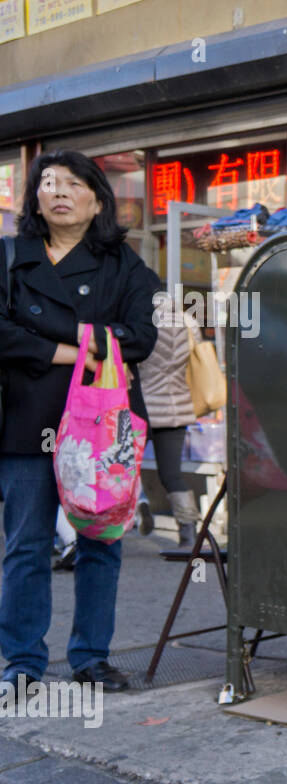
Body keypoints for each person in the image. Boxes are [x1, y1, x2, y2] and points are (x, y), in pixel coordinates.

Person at [0, 150, 160, 694]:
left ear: (96, 200)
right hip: (28, 420)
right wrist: (83, 351)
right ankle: (22, 663)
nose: (59, 191)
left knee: (101, 542)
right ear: (36, 199)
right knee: (26, 544)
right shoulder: (10, 257)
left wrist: (50, 345)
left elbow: (142, 335)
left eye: (73, 183)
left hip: (102, 426)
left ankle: (91, 656)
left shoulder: (125, 264)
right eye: (48, 183)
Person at [138, 295, 201, 548]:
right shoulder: (188, 322)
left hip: (144, 407)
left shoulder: (143, 323)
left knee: (125, 469)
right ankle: (188, 530)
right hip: (178, 408)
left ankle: (138, 504)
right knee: (172, 473)